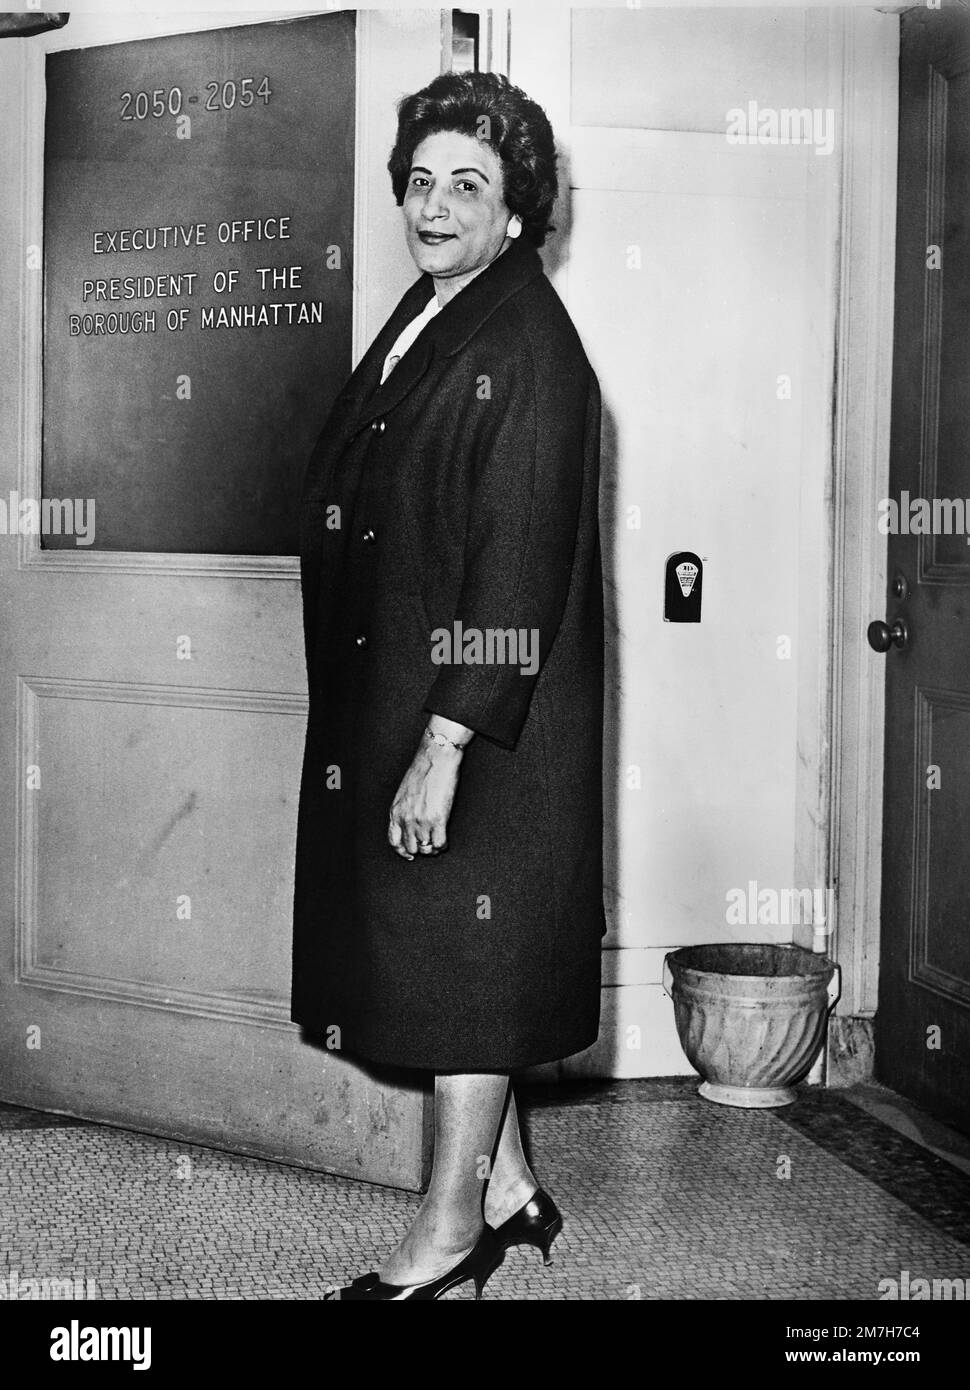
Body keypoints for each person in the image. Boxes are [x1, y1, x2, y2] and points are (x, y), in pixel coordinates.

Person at [292, 69, 606, 1300]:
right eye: (420, 182)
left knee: (467, 976)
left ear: (516, 212)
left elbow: (516, 568)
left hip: (482, 723)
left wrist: (445, 744)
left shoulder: (531, 346)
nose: (434, 206)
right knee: (446, 955)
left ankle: (446, 1236)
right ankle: (514, 1189)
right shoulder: (434, 313)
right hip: (416, 698)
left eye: (467, 185)